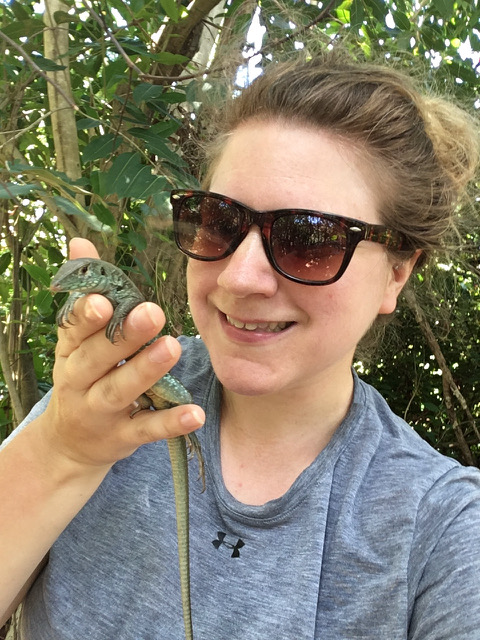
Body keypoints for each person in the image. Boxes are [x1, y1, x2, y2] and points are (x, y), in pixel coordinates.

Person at [1, 54, 480, 639]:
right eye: (219, 221)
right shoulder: (105, 393)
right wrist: (61, 452)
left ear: (397, 274)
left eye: (311, 238)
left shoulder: (443, 528)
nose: (238, 278)